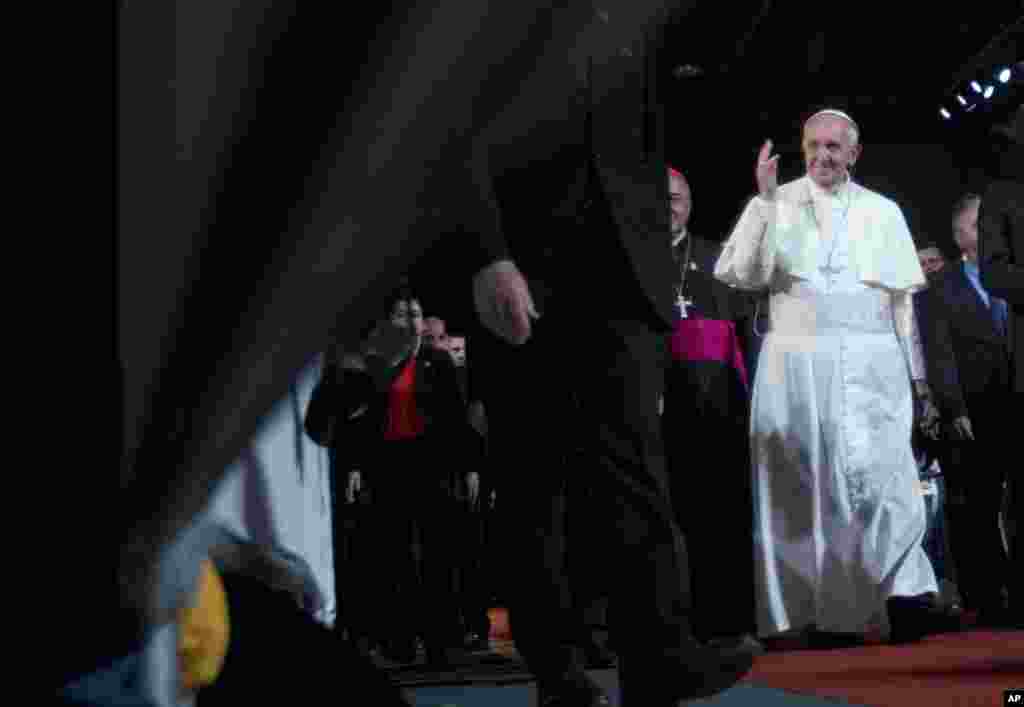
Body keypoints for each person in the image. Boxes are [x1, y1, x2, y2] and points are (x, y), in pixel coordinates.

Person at [464, 5, 752, 706]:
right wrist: (485, 253)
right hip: (526, 264)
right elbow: (452, 137)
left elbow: (714, 47)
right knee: (535, 482)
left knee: (635, 468)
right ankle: (556, 669)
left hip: (625, 268)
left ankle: (659, 655)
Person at [714, 108, 958, 645]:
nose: (823, 156)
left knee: (884, 478)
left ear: (853, 152)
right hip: (795, 362)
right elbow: (746, 275)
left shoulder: (884, 212)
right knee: (802, 486)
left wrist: (918, 381)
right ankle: (814, 613)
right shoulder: (774, 203)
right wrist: (763, 201)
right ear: (803, 149)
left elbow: (902, 310)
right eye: (813, 146)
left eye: (833, 147)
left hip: (872, 363)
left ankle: (902, 595)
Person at [660, 167, 761, 655]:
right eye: (659, 198)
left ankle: (723, 621)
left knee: (718, 518)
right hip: (650, 410)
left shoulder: (719, 260)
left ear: (690, 204)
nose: (668, 206)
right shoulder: (626, 256)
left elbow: (747, 333)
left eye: (676, 197)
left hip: (716, 412)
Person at [921, 189, 1018, 630]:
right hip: (971, 414)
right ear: (963, 235)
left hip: (1016, 404)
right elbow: (938, 353)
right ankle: (985, 596)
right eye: (984, 224)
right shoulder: (941, 287)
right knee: (976, 507)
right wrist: (953, 405)